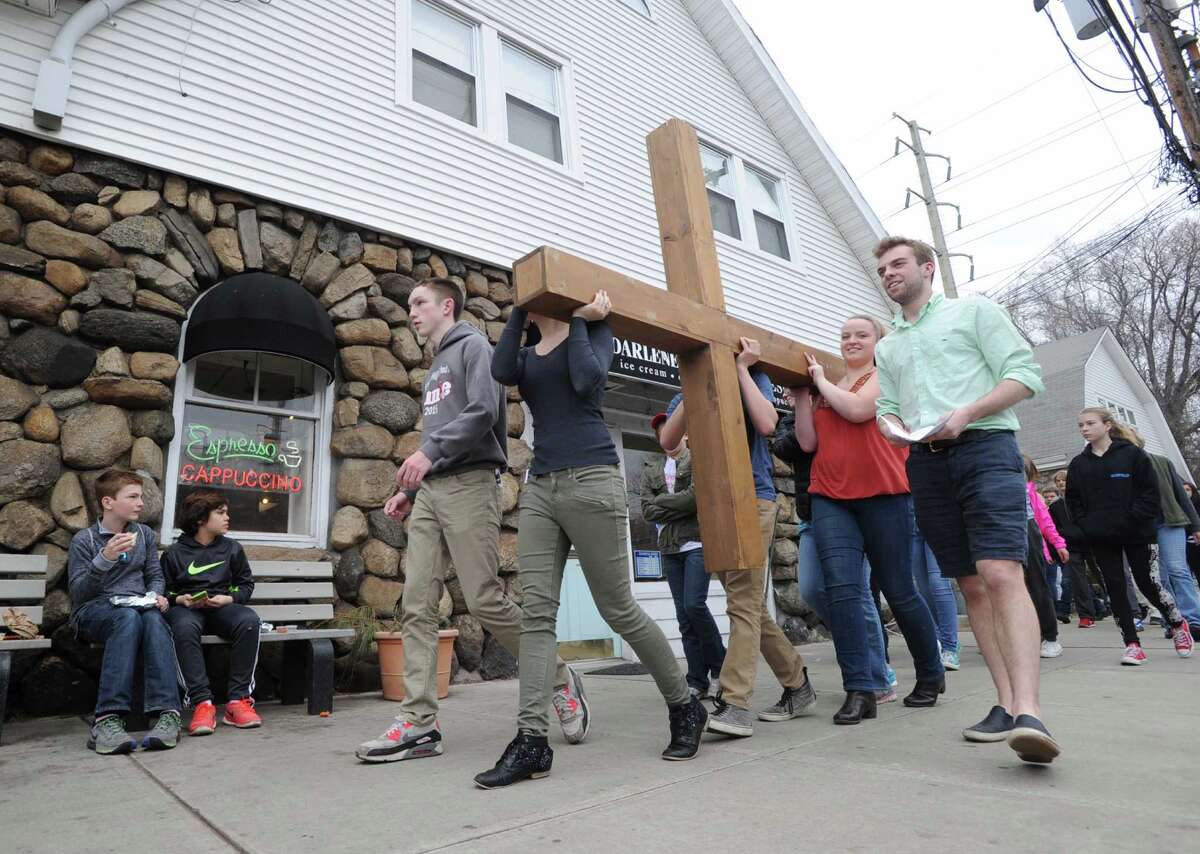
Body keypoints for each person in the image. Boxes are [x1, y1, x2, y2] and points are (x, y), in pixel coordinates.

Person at [476, 290, 707, 789]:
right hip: (541, 485)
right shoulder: (526, 346)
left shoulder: (596, 331)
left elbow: (587, 380)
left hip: (593, 479)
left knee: (618, 608)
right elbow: (500, 372)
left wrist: (580, 320)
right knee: (536, 613)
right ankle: (531, 741)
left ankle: (685, 706)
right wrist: (518, 312)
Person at [357, 278, 586, 764]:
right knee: (416, 603)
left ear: (447, 305)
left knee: (485, 599)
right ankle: (420, 723)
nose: (411, 311)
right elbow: (441, 434)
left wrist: (427, 453)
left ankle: (560, 678)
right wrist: (409, 489)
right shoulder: (433, 367)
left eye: (419, 302)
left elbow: (485, 412)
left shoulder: (474, 347)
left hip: (471, 485)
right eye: (409, 304)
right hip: (432, 493)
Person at [872, 236, 1059, 764]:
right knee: (970, 584)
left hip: (986, 446)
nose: (889, 273)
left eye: (899, 264)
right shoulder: (889, 346)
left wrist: (968, 413)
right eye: (883, 268)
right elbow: (887, 404)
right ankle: (1003, 703)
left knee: (1001, 573)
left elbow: (1024, 376)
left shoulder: (973, 311)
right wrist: (891, 426)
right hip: (925, 462)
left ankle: (1030, 711)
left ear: (928, 268)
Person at [658, 340, 817, 737]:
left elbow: (766, 424)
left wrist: (743, 368)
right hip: (715, 507)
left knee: (743, 603)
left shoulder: (755, 375)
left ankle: (735, 703)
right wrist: (691, 385)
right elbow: (668, 441)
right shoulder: (689, 386)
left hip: (753, 498)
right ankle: (797, 684)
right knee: (750, 608)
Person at [792, 314, 944, 724]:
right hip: (830, 496)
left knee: (898, 590)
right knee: (841, 591)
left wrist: (820, 381)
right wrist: (804, 397)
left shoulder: (884, 377)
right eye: (845, 335)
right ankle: (860, 689)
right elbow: (807, 441)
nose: (852, 340)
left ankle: (931, 673)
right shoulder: (828, 387)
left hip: (885, 495)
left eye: (862, 334)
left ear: (879, 341)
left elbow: (860, 412)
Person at [772, 410, 896, 702]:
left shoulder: (846, 404)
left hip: (853, 509)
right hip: (812, 514)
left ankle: (878, 675)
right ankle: (855, 648)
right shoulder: (796, 415)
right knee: (811, 588)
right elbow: (789, 446)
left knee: (858, 594)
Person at [1065, 408, 1193, 663]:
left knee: (1147, 583)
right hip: (1101, 536)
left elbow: (1150, 494)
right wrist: (1087, 526)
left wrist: (1132, 519)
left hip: (1138, 533)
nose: (1084, 429)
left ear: (1107, 425)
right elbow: (1074, 501)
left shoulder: (1133, 455)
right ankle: (1132, 643)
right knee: (1115, 587)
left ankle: (1178, 624)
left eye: (1090, 423)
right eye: (1080, 425)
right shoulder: (1079, 464)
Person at [67, 469, 181, 754]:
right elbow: (79, 593)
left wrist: (156, 595)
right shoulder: (86, 540)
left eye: (140, 496)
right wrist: (104, 560)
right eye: (133, 497)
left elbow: (155, 575)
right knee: (127, 617)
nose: (141, 503)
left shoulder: (143, 534)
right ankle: (106, 720)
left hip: (137, 607)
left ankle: (167, 714)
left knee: (154, 619)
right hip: (94, 611)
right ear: (108, 502)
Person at [161, 491, 262, 735]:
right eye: (221, 512)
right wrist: (180, 599)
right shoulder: (174, 553)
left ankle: (238, 701)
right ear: (199, 519)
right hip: (187, 611)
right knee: (183, 627)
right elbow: (165, 591)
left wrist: (229, 598)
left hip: (221, 609)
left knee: (249, 620)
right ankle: (202, 704)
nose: (227, 517)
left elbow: (245, 585)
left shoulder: (232, 549)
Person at [640, 415, 725, 699]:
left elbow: (696, 497)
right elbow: (646, 511)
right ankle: (697, 679)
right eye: (663, 434)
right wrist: (676, 505)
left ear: (685, 434)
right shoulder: (651, 467)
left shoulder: (696, 459)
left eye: (674, 432)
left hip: (697, 543)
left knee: (694, 605)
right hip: (670, 549)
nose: (669, 438)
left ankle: (720, 670)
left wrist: (661, 502)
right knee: (683, 617)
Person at [1143, 448, 1200, 642]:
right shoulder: (1122, 466)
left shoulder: (1161, 461)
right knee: (1160, 577)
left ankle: (1194, 621)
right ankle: (1173, 621)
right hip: (1144, 528)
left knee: (1178, 569)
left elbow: (1181, 495)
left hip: (1170, 522)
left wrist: (1195, 525)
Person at [1023, 457, 1065, 658]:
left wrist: (1056, 545)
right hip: (1002, 530)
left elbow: (1044, 522)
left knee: (1037, 587)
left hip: (1027, 532)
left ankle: (1050, 637)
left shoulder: (1031, 494)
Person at [912, 528, 961, 672]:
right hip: (910, 518)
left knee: (938, 581)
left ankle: (949, 647)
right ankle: (939, 640)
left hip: (936, 516)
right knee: (923, 586)